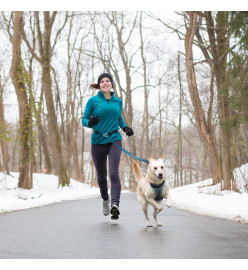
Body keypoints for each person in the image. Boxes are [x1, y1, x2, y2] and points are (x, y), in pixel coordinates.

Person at [82, 73, 134, 219]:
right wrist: (89, 122)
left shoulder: (118, 101)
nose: (105, 83)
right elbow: (84, 119)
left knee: (113, 173)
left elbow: (118, 118)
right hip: (98, 141)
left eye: (108, 81)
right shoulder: (93, 101)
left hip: (114, 139)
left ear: (111, 84)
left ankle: (115, 205)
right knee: (101, 176)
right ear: (99, 85)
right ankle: (106, 199)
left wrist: (125, 128)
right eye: (102, 81)